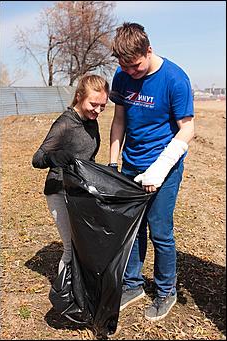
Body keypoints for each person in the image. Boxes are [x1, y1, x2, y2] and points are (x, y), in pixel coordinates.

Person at [108, 22, 195, 321]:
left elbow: (188, 129)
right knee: (132, 230)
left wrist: (159, 168)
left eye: (136, 66)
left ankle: (165, 291)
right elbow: (119, 119)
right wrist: (112, 163)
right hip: (131, 163)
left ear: (149, 50)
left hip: (164, 168)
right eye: (125, 67)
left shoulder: (175, 79)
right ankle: (133, 285)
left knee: (160, 231)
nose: (131, 73)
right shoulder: (121, 75)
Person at [32, 74, 109, 275]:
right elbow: (37, 158)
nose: (98, 110)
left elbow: (88, 158)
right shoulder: (64, 123)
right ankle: (64, 298)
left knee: (86, 245)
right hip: (59, 190)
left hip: (80, 191)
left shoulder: (92, 122)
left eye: (103, 106)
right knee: (71, 249)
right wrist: (54, 157)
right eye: (94, 104)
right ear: (79, 96)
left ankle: (81, 290)